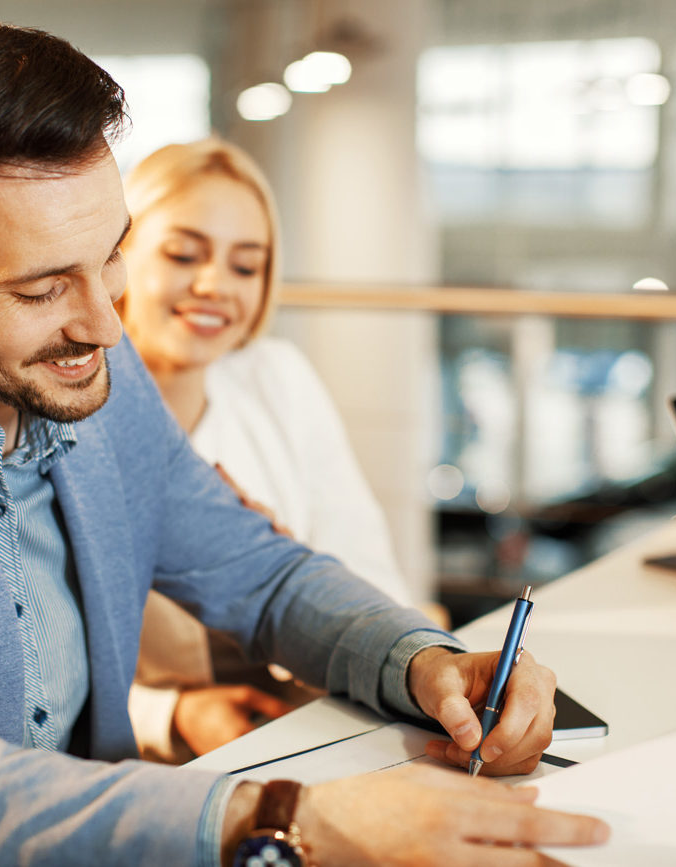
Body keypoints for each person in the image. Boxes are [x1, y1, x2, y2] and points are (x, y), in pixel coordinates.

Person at [0, 23, 608, 866]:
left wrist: (423, 661)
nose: (106, 324)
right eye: (40, 289)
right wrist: (287, 820)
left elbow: (261, 574)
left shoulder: (91, 387)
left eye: (110, 252)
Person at [118, 139, 424, 760]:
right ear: (116, 254)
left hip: (310, 720)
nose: (214, 286)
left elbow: (372, 576)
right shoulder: (64, 408)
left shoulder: (276, 378)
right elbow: (35, 662)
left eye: (246, 266)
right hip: (141, 759)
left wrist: (285, 566)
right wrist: (171, 714)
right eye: (183, 254)